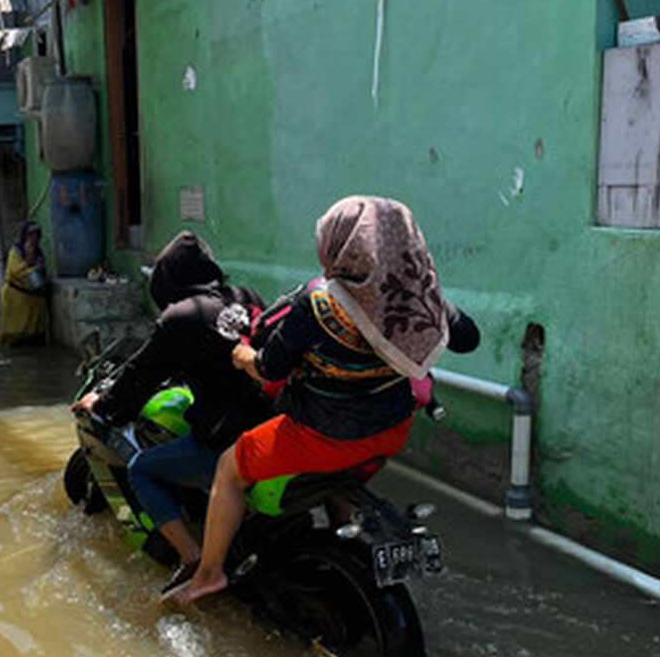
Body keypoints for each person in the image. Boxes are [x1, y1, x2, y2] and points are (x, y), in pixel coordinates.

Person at [176, 196, 479, 603]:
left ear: (340, 247)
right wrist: (429, 296)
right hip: (392, 429)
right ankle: (342, 539)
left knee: (229, 469)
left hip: (325, 437)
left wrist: (245, 356)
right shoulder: (415, 298)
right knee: (344, 473)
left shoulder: (317, 303)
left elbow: (270, 370)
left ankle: (208, 574)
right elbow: (468, 338)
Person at [71, 231, 274, 593]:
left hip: (227, 438)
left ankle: (194, 560)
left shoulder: (182, 316)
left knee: (141, 469)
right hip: (272, 427)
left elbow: (140, 375)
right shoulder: (245, 298)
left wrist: (101, 404)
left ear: (167, 280)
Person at [0, 221, 49, 346]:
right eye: (30, 235)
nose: (33, 239)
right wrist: (28, 261)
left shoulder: (39, 254)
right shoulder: (16, 252)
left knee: (33, 339)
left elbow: (41, 274)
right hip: (17, 301)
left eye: (36, 236)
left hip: (34, 304)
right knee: (16, 336)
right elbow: (16, 271)